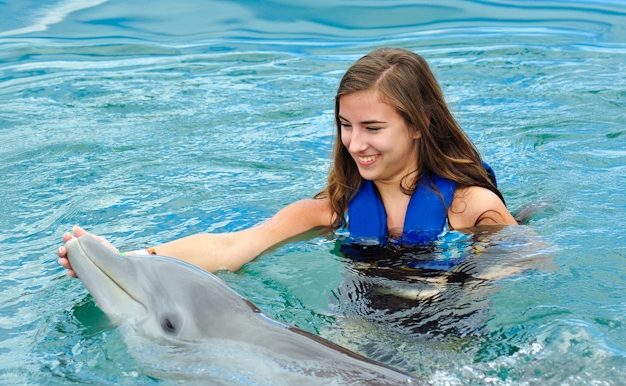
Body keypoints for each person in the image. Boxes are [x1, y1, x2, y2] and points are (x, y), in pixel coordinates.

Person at [57, 47, 517, 279]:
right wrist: (123, 261)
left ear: (419, 124)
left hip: (451, 336)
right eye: (345, 125)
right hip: (359, 336)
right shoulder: (332, 210)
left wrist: (479, 277)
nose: (356, 144)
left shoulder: (472, 208)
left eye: (373, 128)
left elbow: (531, 266)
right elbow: (232, 248)